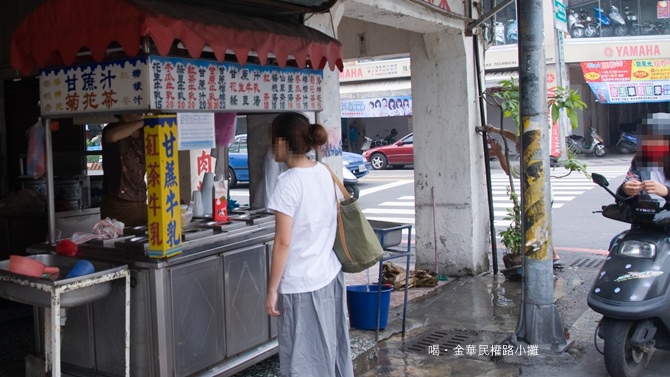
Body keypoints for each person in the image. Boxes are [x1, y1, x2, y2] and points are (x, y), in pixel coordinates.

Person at [264, 112, 354, 377]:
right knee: (331, 349)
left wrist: (272, 290)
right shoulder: (325, 172)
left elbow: (282, 242)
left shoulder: (288, 183)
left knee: (303, 360)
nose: (271, 148)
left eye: (272, 142)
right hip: (329, 276)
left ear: (281, 143)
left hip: (300, 285)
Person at [485, 124, 561, 265]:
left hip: (539, 198)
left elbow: (508, 170)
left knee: (538, 226)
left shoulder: (528, 162)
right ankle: (552, 254)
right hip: (546, 194)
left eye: (518, 144)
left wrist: (499, 152)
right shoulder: (534, 149)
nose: (516, 145)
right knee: (542, 225)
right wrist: (495, 130)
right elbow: (513, 137)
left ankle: (545, 256)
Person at [100, 113, 147, 227]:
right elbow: (112, 136)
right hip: (117, 202)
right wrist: (144, 122)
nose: (141, 113)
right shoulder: (112, 129)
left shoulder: (145, 132)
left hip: (140, 199)